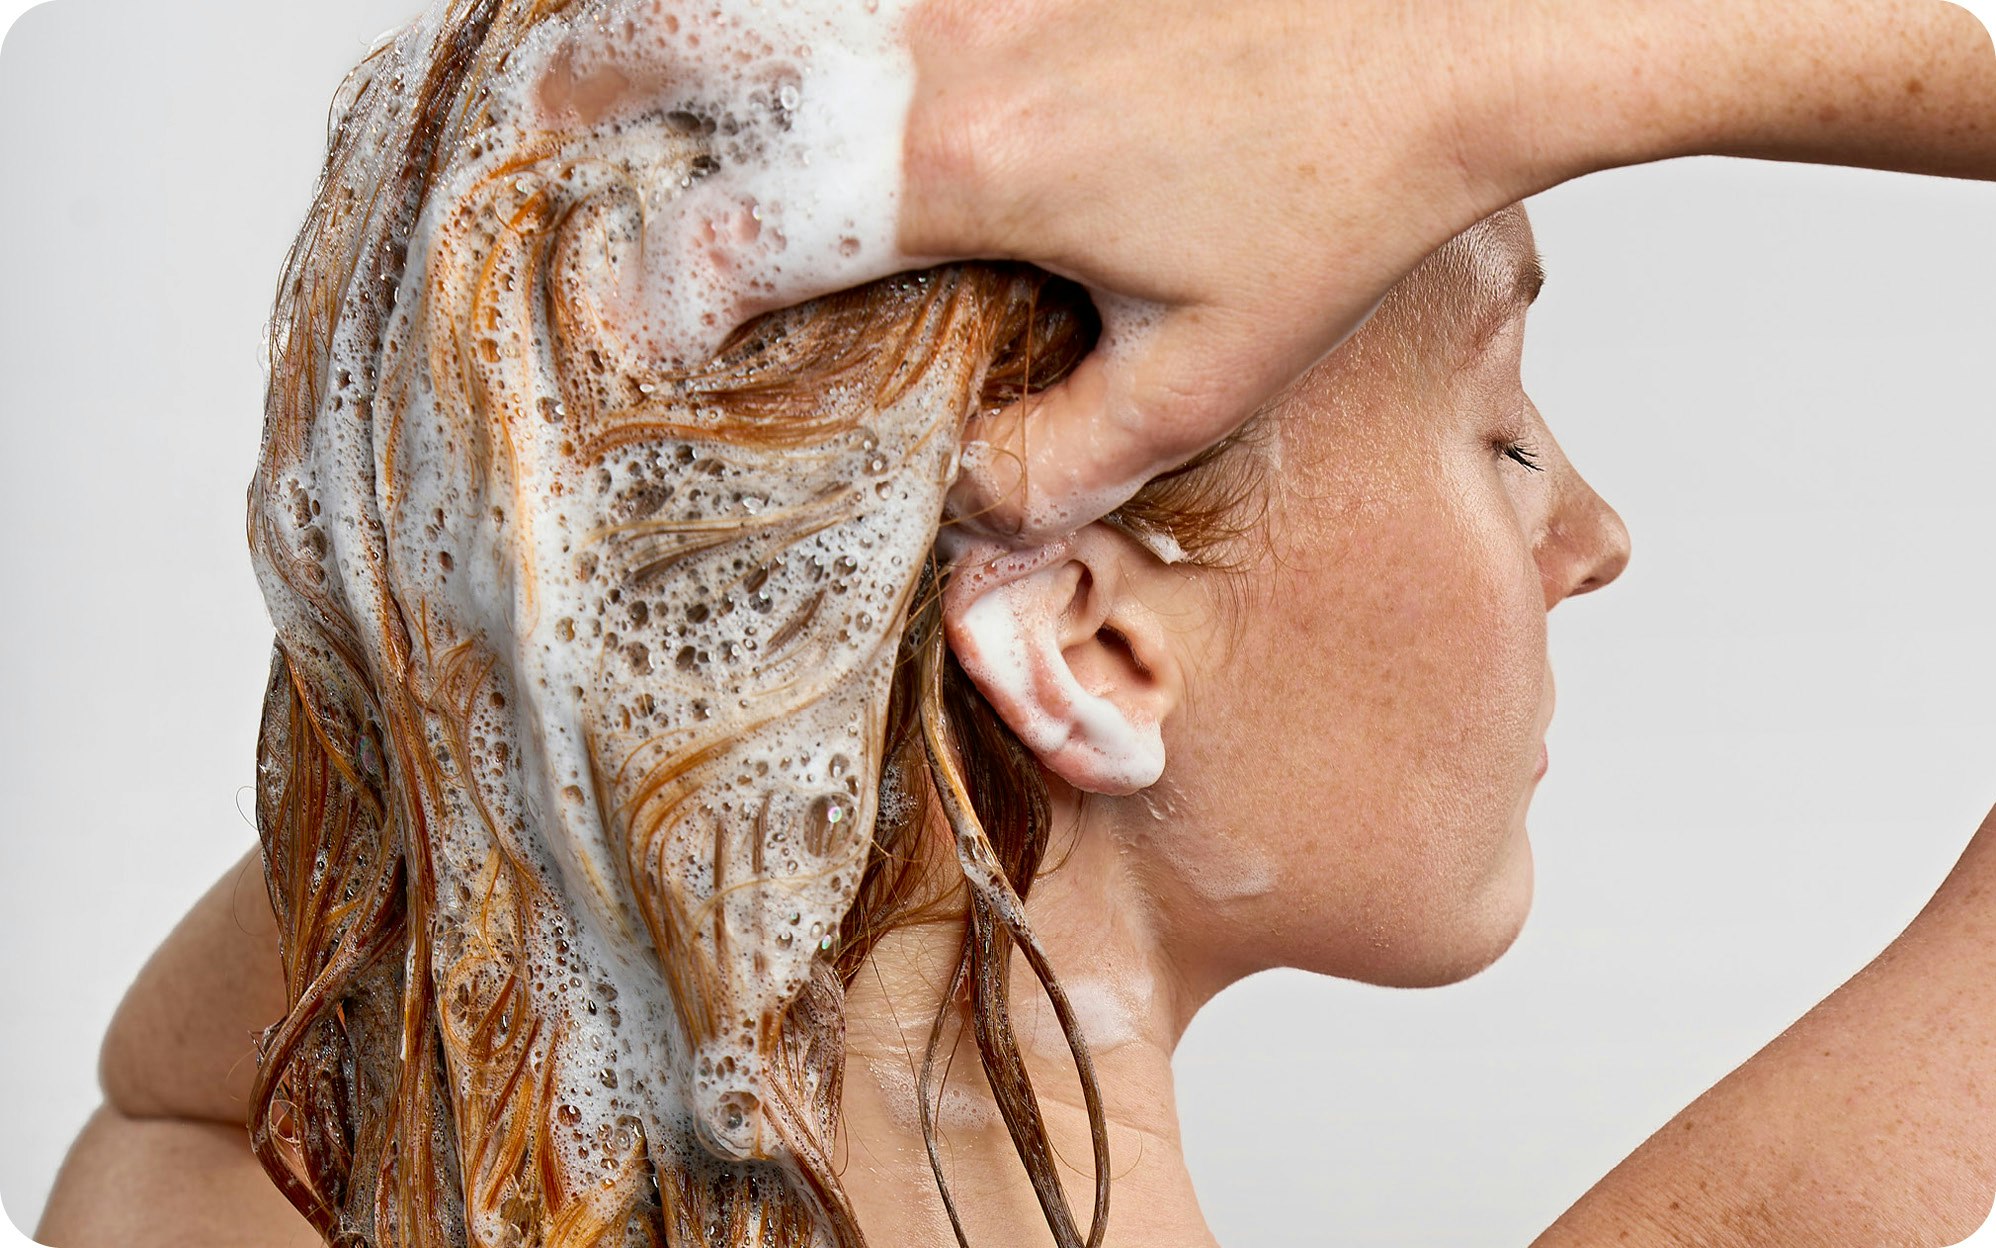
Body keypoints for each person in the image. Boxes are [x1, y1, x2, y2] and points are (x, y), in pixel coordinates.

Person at [29, 0, 1996, 1245]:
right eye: (1498, 431)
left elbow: (184, 1101)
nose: (1593, 531)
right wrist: (1489, 59)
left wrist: (576, 620)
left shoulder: (216, 1207)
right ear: (1088, 645)